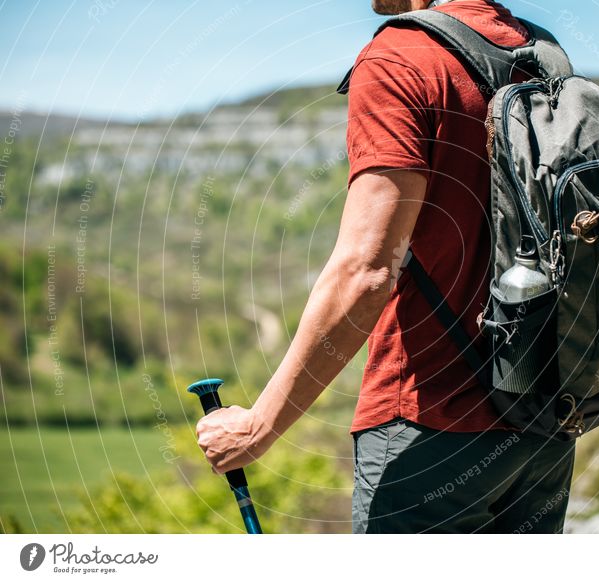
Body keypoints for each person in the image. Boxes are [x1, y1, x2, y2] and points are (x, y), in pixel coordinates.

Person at [195, 0, 575, 533]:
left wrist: (259, 426)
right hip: (542, 423)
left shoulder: (402, 57)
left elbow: (367, 271)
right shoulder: (541, 56)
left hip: (428, 431)